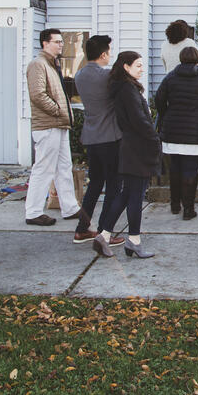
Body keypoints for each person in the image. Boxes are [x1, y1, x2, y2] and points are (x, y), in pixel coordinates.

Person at [100, 50, 161, 259]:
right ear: (126, 67)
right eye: (138, 65)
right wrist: (154, 138)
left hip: (131, 146)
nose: (142, 69)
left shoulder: (125, 88)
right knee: (135, 196)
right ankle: (134, 240)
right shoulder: (128, 89)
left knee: (127, 194)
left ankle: (105, 235)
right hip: (138, 148)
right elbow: (138, 120)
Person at [73, 35, 126, 248]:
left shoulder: (79, 75)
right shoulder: (107, 77)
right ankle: (105, 232)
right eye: (109, 52)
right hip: (110, 136)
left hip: (91, 135)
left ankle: (82, 228)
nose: (110, 55)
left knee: (94, 184)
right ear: (103, 54)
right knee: (113, 185)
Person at [24, 28, 81, 226]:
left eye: (61, 42)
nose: (60, 45)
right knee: (44, 169)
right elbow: (37, 94)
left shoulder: (52, 65)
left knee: (64, 167)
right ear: (44, 43)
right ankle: (33, 212)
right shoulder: (38, 65)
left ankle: (70, 207)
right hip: (48, 125)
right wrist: (57, 110)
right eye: (56, 41)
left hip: (59, 124)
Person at [154, 46, 198, 220]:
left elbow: (159, 99)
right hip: (196, 131)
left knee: (175, 167)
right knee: (191, 169)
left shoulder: (170, 77)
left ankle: (175, 204)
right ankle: (188, 209)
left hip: (173, 128)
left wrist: (167, 112)